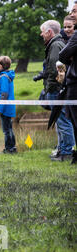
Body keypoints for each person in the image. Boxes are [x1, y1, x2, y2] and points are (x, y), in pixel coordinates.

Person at [40, 20, 75, 161]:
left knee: (62, 120)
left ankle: (66, 151)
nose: (41, 34)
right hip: (57, 88)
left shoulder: (54, 45)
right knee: (59, 120)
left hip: (56, 89)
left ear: (49, 32)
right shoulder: (56, 43)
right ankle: (62, 149)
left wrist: (51, 85)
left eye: (42, 31)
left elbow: (56, 69)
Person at [59, 1, 77, 164]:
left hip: (74, 83)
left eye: (75, 11)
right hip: (70, 83)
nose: (72, 14)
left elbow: (63, 56)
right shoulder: (67, 40)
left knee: (72, 121)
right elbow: (64, 55)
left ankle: (70, 151)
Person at [0, 56, 17, 154]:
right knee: (9, 128)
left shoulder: (3, 77)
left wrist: (0, 109)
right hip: (8, 107)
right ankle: (12, 148)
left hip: (5, 108)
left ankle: (9, 149)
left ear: (1, 66)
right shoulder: (7, 76)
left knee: (6, 130)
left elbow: (4, 94)